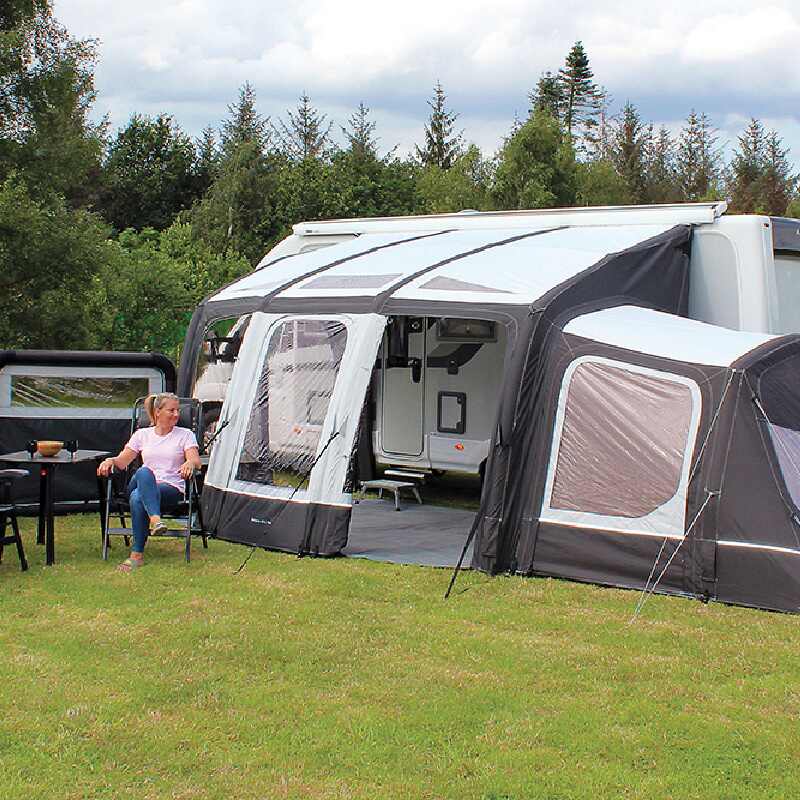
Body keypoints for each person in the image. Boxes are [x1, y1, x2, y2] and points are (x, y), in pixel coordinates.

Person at [97, 393, 201, 572]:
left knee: (138, 497)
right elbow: (122, 462)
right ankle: (155, 519)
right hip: (142, 482)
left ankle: (137, 555)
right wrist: (109, 461)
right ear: (158, 412)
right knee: (144, 472)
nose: (176, 414)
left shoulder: (186, 435)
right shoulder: (142, 435)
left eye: (178, 410)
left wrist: (189, 463)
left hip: (170, 488)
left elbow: (196, 461)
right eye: (171, 410)